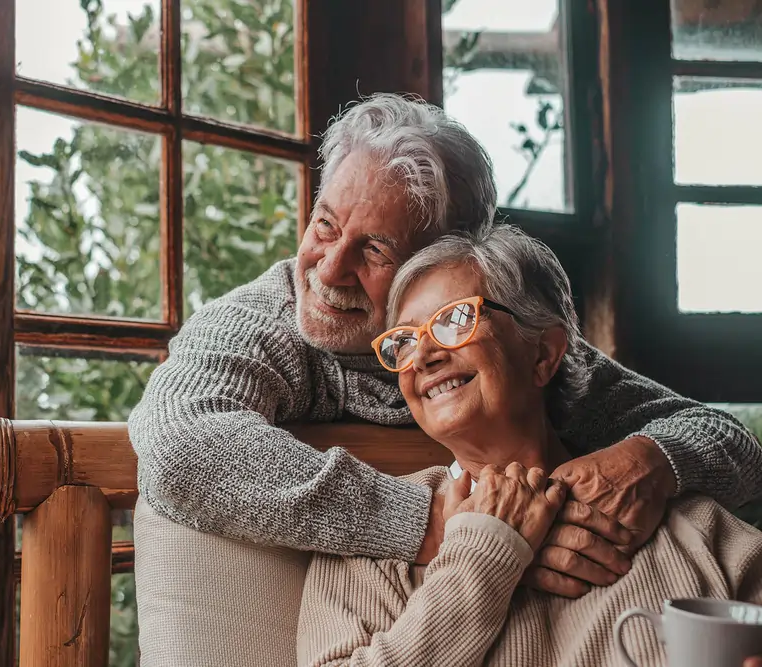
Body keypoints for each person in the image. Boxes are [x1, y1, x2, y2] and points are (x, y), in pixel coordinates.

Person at [127, 93, 762, 595]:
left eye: (375, 249)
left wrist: (652, 459)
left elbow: (727, 440)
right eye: (325, 224)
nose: (326, 269)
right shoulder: (261, 322)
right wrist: (445, 524)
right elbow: (181, 446)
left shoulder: (507, 345)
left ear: (441, 266)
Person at [297, 225, 762, 666]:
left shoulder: (690, 524)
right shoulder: (371, 544)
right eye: (404, 340)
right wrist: (485, 553)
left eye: (455, 320)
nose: (423, 356)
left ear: (542, 355)